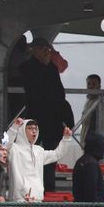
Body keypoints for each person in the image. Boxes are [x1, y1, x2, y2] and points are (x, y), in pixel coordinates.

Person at [20, 38, 72, 191]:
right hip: (35, 117)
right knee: (30, 153)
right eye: (43, 49)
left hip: (52, 120)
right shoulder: (27, 68)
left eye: (47, 50)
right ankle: (30, 186)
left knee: (50, 156)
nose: (46, 53)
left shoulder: (51, 68)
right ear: (34, 50)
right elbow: (34, 90)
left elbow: (59, 94)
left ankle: (49, 188)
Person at [80, 74, 104, 146]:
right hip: (86, 141)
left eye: (94, 84)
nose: (91, 86)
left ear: (99, 86)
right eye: (89, 84)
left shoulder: (102, 103)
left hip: (96, 143)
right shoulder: (88, 102)